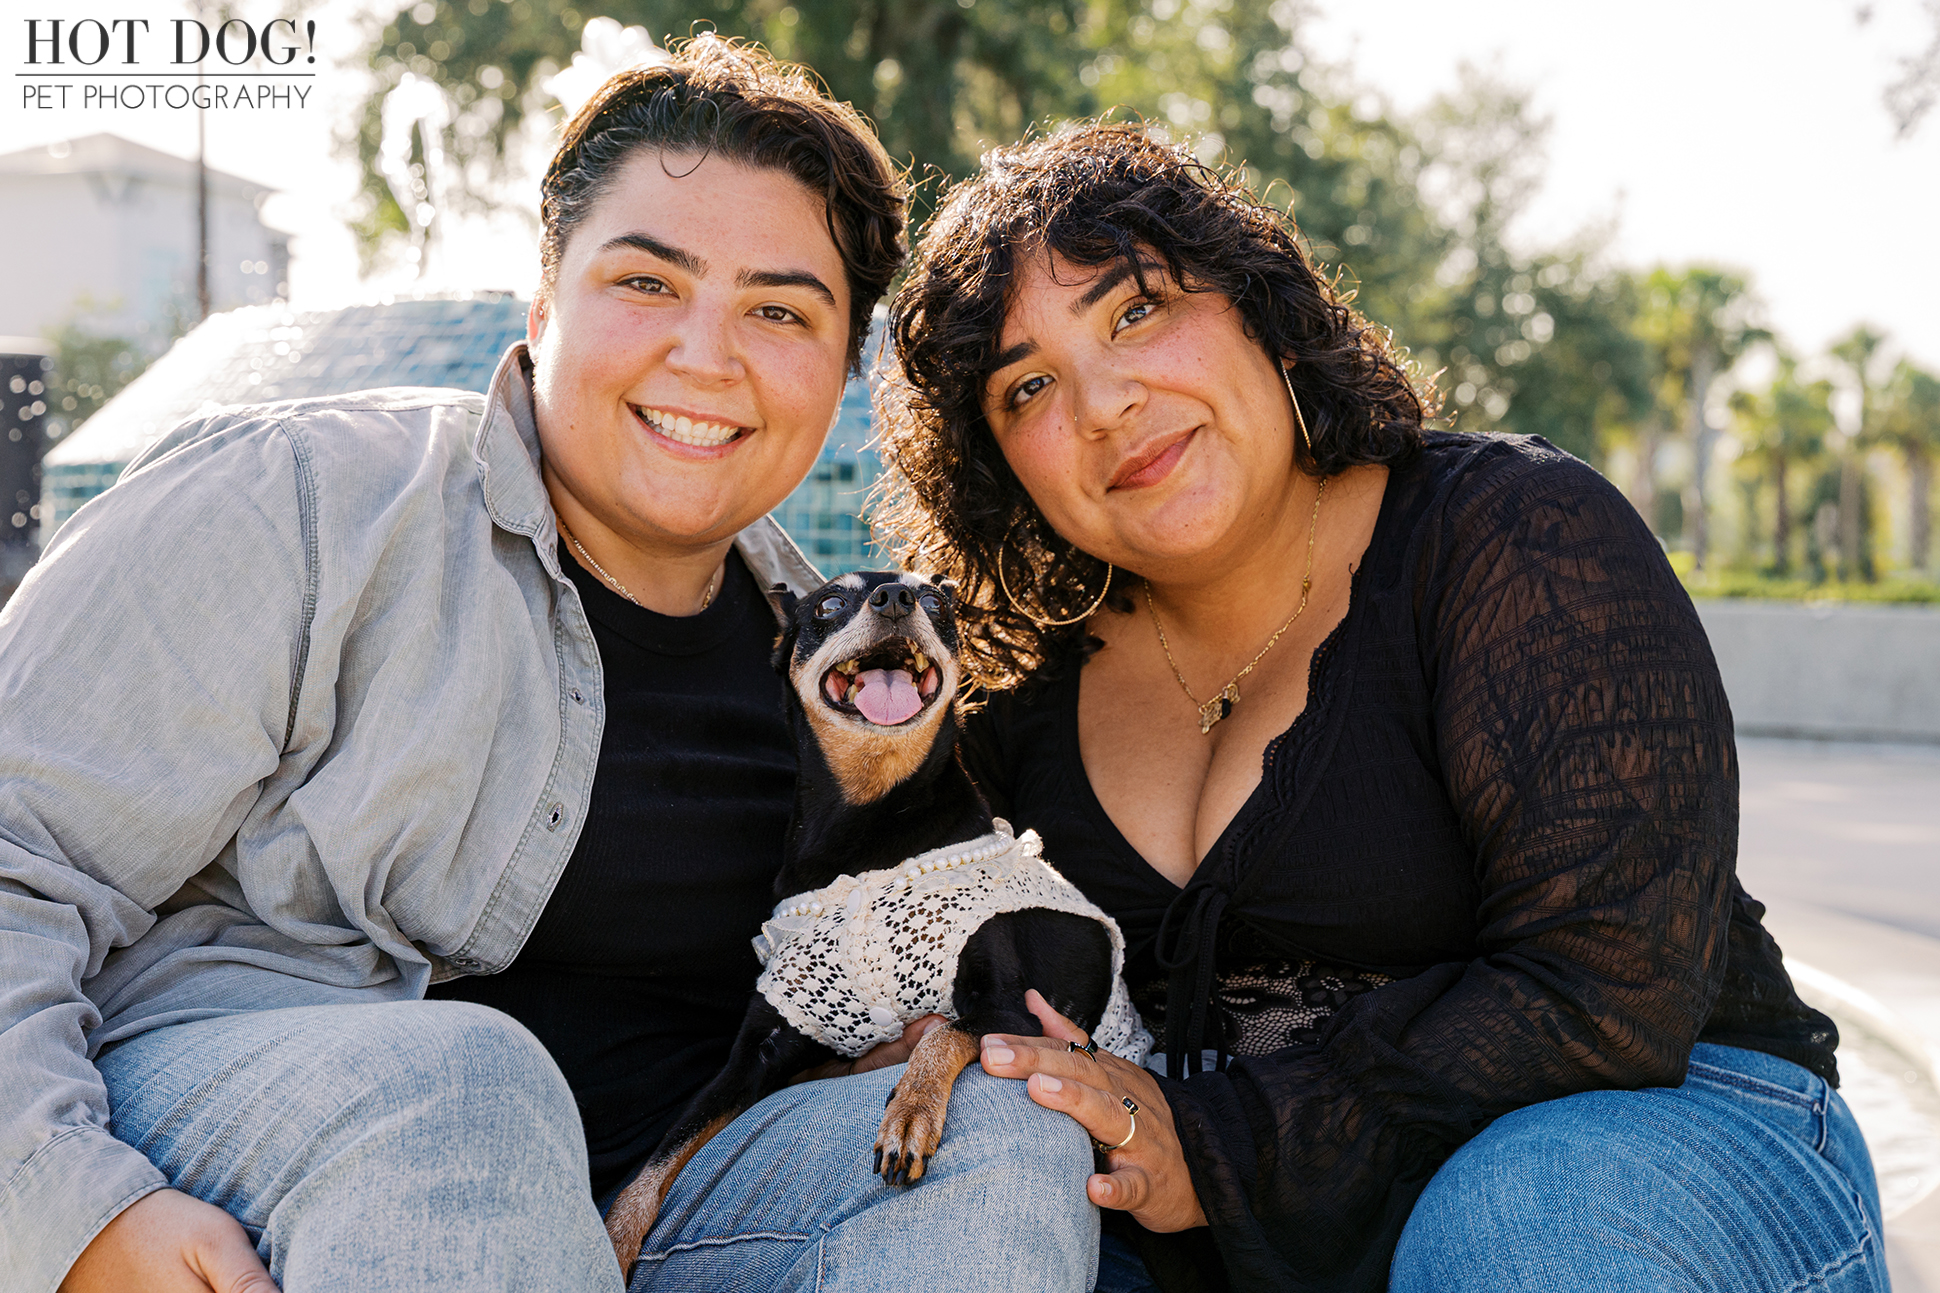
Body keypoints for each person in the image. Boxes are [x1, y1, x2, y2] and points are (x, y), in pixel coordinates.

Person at [1, 40, 1098, 1293]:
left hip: (650, 1206)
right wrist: (73, 1211)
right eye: (646, 283)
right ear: (543, 306)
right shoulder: (303, 506)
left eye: (779, 311)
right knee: (468, 1086)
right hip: (268, 1130)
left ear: (838, 369)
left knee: (998, 1140)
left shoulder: (835, 660)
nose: (707, 354)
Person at [871, 122, 1886, 1293]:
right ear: (1002, 466)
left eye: (1136, 311)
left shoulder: (1512, 537)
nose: (1103, 402)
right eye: (1028, 387)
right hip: (1238, 1217)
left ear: (1261, 312)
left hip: (1649, 1138)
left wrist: (1213, 1146)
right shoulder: (1010, 690)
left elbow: (1608, 986)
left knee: (1509, 1230)